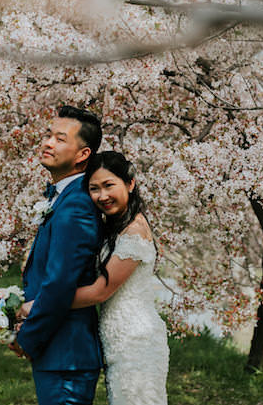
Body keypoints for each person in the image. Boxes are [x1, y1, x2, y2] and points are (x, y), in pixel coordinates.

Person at [12, 106, 105, 405]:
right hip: (59, 353)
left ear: (82, 155)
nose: (48, 143)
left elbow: (61, 281)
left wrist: (28, 337)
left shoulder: (76, 204)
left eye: (60, 139)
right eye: (48, 135)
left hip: (67, 357)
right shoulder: (62, 197)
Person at [72, 151, 170, 405]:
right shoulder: (115, 227)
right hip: (118, 341)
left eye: (108, 185)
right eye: (94, 188)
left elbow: (99, 292)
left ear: (130, 183)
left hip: (137, 343)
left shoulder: (134, 231)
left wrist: (41, 304)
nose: (102, 196)